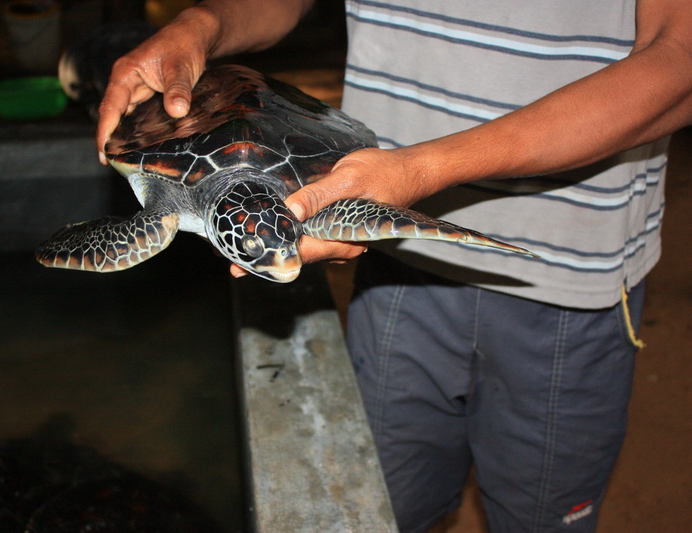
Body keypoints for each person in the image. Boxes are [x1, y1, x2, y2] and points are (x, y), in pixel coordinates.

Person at [96, 1, 692, 531]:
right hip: (397, 272)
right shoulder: (180, 201)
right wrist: (202, 21)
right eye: (260, 251)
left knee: (543, 513)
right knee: (389, 502)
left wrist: (421, 172)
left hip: (568, 270)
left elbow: (680, 58)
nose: (280, 266)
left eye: (273, 247)